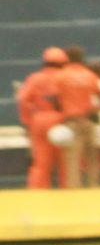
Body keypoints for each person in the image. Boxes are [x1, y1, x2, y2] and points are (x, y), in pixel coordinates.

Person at [54, 46, 100, 188]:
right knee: (93, 159)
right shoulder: (90, 75)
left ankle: (74, 191)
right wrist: (93, 110)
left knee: (73, 160)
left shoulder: (61, 76)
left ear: (67, 59)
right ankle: (95, 187)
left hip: (72, 121)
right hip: (88, 120)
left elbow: (56, 100)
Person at [18, 49, 66, 188]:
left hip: (39, 119)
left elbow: (23, 99)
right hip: (62, 121)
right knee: (65, 164)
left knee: (40, 163)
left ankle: (38, 196)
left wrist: (27, 120)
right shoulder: (65, 77)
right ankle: (69, 196)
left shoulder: (34, 78)